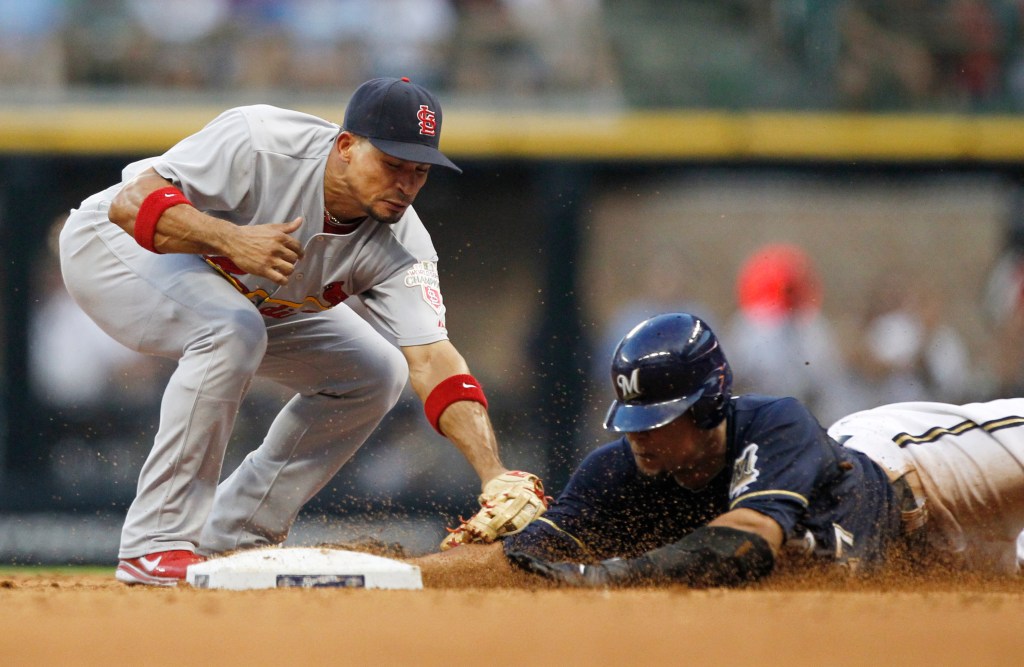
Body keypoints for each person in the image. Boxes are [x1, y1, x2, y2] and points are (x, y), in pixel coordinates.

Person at [58, 76, 545, 586]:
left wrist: (493, 471)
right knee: (232, 328)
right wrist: (231, 238)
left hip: (246, 295)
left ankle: (236, 535)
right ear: (346, 145)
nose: (405, 184)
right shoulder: (262, 141)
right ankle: (155, 545)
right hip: (114, 250)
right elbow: (129, 204)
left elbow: (434, 359)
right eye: (392, 164)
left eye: (419, 171)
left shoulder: (403, 245)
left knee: (377, 373)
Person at [417, 313, 1024, 588]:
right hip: (918, 562)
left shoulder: (775, 425)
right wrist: (406, 575)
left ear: (710, 405)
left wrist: (607, 577)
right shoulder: (615, 474)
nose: (637, 435)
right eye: (629, 419)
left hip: (926, 475)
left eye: (657, 420)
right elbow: (523, 558)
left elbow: (742, 544)